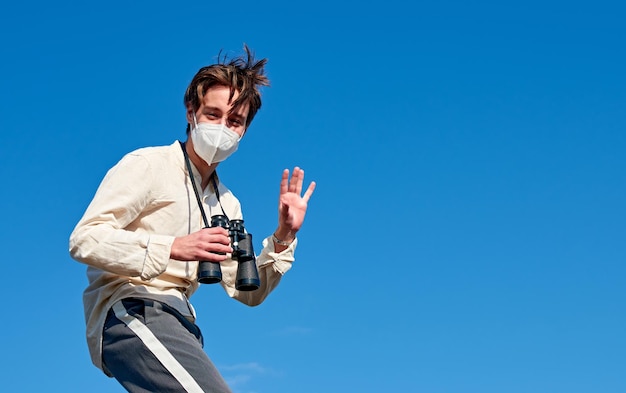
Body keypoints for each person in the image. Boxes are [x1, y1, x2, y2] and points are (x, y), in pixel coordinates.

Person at [69, 45, 316, 393]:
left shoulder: (227, 203)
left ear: (244, 130)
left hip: (182, 324)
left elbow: (247, 292)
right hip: (133, 307)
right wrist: (172, 247)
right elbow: (85, 239)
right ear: (191, 111)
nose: (222, 128)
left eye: (234, 121)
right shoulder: (148, 165)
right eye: (213, 115)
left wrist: (283, 236)